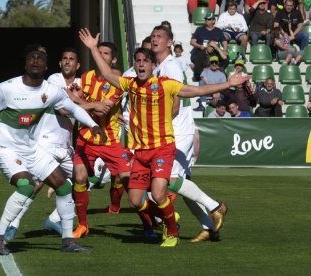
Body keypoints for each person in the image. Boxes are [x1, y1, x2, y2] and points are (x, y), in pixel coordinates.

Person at [79, 28, 247, 247]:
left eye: (144, 61)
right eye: (137, 60)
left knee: (163, 190)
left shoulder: (167, 78)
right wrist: (93, 48)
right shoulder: (130, 84)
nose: (140, 64)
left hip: (167, 140)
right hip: (142, 150)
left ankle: (182, 223)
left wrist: (227, 84)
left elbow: (192, 92)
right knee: (139, 198)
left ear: (153, 65)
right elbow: (109, 75)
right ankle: (205, 221)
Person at [0, 43, 107, 255]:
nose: (35, 61)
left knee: (63, 187)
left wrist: (93, 126)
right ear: (25, 63)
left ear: (47, 66)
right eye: (31, 58)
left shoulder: (51, 91)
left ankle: (67, 241)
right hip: (7, 148)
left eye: (40, 58)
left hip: (31, 148)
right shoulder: (7, 88)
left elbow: (74, 108)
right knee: (26, 186)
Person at [151, 26, 229, 243]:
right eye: (153, 36)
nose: (155, 39)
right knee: (183, 184)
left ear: (169, 42)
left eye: (160, 37)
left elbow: (175, 104)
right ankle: (208, 227)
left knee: (170, 179)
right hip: (174, 127)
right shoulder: (160, 67)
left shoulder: (171, 66)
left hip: (177, 128)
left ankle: (216, 206)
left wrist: (158, 125)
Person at [71, 41, 132, 239]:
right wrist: (80, 100)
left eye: (106, 53)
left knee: (129, 182)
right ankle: (82, 225)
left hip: (110, 139)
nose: (102, 56)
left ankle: (149, 221)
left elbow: (103, 108)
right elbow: (87, 106)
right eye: (99, 52)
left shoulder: (118, 80)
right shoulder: (85, 77)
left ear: (113, 59)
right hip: (85, 138)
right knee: (79, 178)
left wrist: (77, 100)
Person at [190, 12, 228, 81]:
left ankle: (218, 71)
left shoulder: (218, 31)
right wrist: (199, 46)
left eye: (209, 19)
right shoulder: (199, 29)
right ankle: (198, 74)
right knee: (198, 57)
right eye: (206, 19)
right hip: (202, 51)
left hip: (214, 51)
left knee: (226, 57)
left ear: (214, 21)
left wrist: (224, 50)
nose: (206, 20)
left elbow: (224, 41)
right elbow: (192, 42)